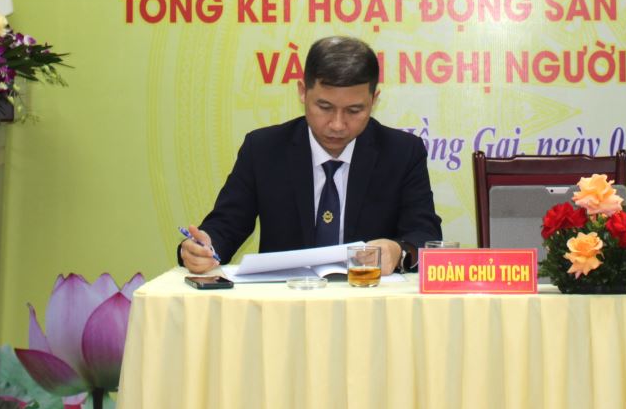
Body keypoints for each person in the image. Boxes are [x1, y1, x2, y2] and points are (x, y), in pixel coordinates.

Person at [179, 36, 442, 275]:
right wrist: (203, 247)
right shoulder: (263, 149)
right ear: (302, 91)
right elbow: (226, 225)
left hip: (368, 301)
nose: (337, 124)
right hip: (285, 302)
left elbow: (425, 235)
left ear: (374, 101)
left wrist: (397, 251)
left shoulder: (402, 152)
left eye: (354, 111)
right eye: (324, 107)